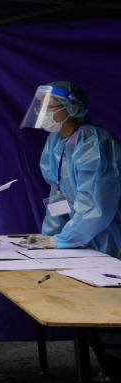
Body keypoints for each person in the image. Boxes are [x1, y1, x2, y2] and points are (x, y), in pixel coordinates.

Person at [19, 82, 121, 256]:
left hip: (105, 238)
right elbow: (58, 195)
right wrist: (50, 235)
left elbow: (96, 204)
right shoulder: (55, 142)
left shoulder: (92, 140)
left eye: (48, 107)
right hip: (77, 241)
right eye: (40, 107)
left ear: (72, 107)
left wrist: (65, 239)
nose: (42, 113)